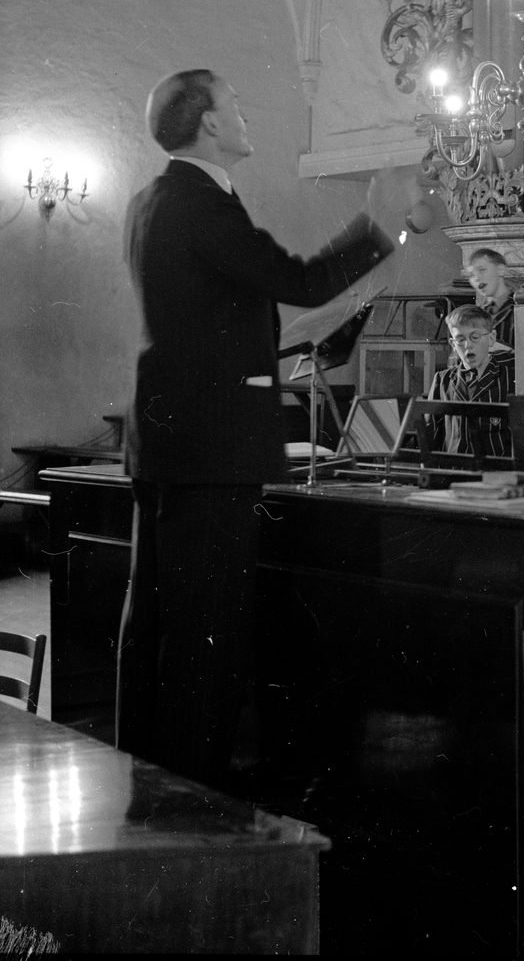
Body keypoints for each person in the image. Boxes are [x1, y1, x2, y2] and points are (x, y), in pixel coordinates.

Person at [119, 68, 405, 787]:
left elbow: (223, 319)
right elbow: (301, 280)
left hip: (169, 443)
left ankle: (147, 786)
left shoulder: (153, 200)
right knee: (202, 641)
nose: (245, 115)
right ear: (210, 125)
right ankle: (190, 805)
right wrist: (380, 223)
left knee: (156, 626)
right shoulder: (203, 204)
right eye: (235, 104)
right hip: (213, 451)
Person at [426, 304, 515, 457]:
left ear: (491, 338)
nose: (468, 345)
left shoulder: (509, 379)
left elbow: (518, 441)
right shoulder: (442, 381)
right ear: (453, 344)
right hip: (453, 471)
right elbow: (430, 436)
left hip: (495, 475)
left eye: (475, 337)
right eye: (460, 339)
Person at [464, 248, 515, 347]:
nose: (476, 278)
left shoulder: (520, 308)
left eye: (482, 270)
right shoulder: (477, 314)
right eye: (471, 275)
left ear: (501, 270)